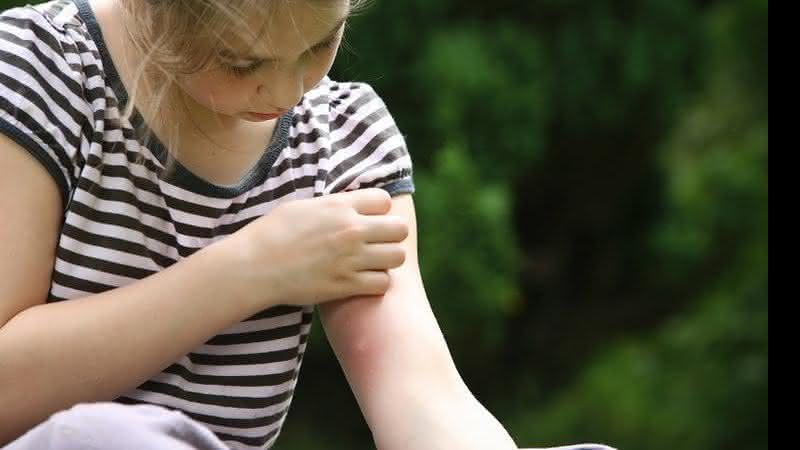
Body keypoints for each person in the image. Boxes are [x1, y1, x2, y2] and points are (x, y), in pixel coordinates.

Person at [0, 0, 615, 449]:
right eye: (242, 63)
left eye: (320, 44)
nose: (290, 90)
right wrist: (250, 270)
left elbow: (422, 400)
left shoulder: (345, 142)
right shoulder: (40, 73)